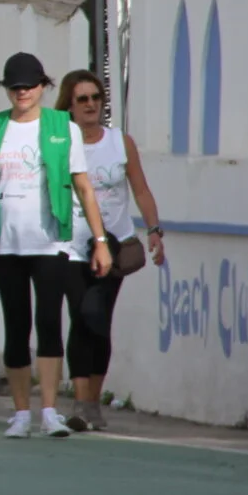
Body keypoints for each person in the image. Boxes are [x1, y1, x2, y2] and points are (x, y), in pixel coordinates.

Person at [0, 52, 114, 440]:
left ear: (43, 87)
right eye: (14, 87)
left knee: (49, 324)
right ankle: (22, 412)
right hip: (4, 242)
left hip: (50, 240)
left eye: (29, 86)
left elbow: (83, 186)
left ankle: (50, 412)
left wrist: (101, 240)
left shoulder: (62, 127)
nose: (21, 93)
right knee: (16, 325)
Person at [58, 69, 164, 433]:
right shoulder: (61, 142)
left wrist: (154, 230)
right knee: (82, 315)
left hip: (115, 243)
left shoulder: (120, 142)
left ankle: (92, 402)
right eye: (82, 99)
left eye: (95, 98)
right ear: (69, 106)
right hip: (72, 244)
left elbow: (141, 189)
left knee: (100, 322)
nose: (90, 105)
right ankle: (79, 400)